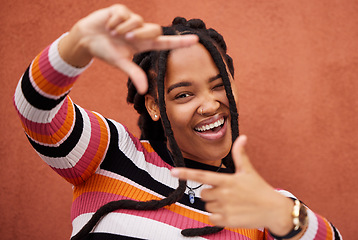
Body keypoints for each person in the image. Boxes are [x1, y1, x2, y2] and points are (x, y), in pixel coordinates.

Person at [13, 4, 342, 240]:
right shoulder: (109, 155)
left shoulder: (258, 201)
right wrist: (77, 45)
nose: (211, 104)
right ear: (154, 105)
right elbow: (37, 112)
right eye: (184, 94)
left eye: (219, 86)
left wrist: (285, 215)